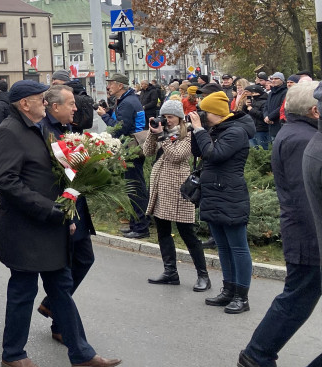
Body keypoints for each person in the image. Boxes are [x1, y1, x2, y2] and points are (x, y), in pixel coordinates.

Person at [0, 79, 121, 367]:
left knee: (61, 288)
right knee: (23, 290)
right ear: (25, 104)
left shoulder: (40, 129)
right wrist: (49, 209)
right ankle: (13, 354)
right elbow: (5, 181)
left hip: (51, 225)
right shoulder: (9, 132)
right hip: (25, 228)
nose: (45, 103)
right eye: (40, 99)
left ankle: (81, 353)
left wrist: (69, 212)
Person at [239, 82, 321, 367]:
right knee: (297, 299)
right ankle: (258, 354)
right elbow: (307, 198)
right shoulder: (304, 139)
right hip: (309, 236)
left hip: (305, 232)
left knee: (298, 297)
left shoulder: (297, 131)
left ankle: (258, 352)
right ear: (314, 110)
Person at [36, 83, 100, 342]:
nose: (76, 108)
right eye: (71, 104)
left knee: (84, 259)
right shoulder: (45, 131)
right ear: (55, 107)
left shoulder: (65, 128)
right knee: (68, 265)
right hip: (64, 207)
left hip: (76, 203)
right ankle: (61, 326)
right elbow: (53, 176)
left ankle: (51, 305)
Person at [192, 91, 252, 313]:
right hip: (213, 193)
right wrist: (196, 132)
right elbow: (198, 151)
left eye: (205, 111)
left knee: (238, 247)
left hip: (230, 194)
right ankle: (228, 290)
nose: (202, 115)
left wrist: (199, 130)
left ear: (214, 112)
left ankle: (241, 296)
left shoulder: (236, 132)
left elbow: (214, 154)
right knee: (223, 247)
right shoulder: (217, 130)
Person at [143, 98, 211, 291]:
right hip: (161, 186)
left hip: (180, 187)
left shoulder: (188, 134)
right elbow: (147, 152)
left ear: (180, 118)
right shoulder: (162, 131)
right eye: (164, 117)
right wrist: (152, 132)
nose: (167, 120)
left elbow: (176, 156)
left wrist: (163, 137)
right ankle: (170, 272)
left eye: (170, 117)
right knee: (163, 230)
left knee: (187, 233)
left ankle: (203, 276)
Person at [102, 73, 150, 239]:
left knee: (135, 189)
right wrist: (109, 112)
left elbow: (120, 129)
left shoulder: (128, 102)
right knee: (133, 188)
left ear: (120, 86)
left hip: (132, 149)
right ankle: (135, 223)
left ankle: (141, 227)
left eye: (111, 84)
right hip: (131, 148)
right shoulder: (127, 100)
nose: (108, 87)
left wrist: (104, 116)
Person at [264, 72, 288, 142]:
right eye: (272, 79)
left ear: (282, 80)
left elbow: (282, 107)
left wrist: (270, 117)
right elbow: (266, 106)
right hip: (271, 125)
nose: (273, 80)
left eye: (276, 78)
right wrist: (265, 116)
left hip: (279, 124)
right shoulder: (271, 92)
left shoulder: (285, 91)